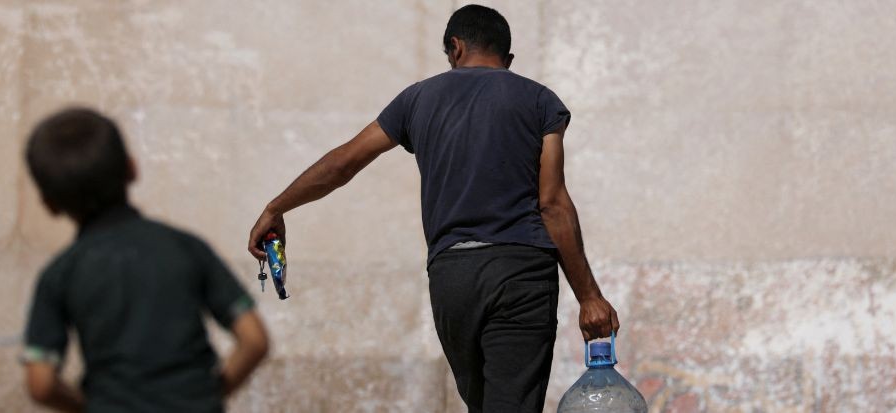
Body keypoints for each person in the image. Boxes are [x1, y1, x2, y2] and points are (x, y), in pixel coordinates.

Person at [246, 5, 619, 412]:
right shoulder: (539, 101)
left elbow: (343, 164)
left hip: (452, 278)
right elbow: (553, 203)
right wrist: (589, 297)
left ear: (455, 48)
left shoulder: (416, 99)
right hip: (521, 272)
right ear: (507, 59)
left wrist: (276, 207)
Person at [21, 107, 269, 412]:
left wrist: (89, 407)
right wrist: (209, 394)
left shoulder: (60, 274)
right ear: (132, 169)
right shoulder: (186, 248)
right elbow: (254, 340)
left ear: (49, 204)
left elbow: (41, 383)